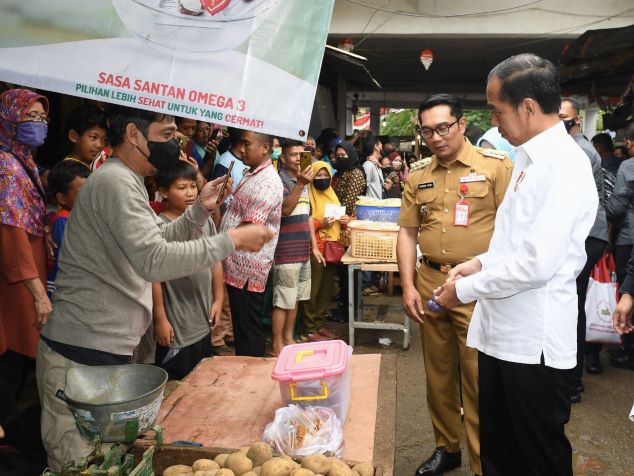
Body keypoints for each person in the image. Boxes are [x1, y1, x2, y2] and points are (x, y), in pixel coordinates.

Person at [37, 104, 273, 469]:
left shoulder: (126, 180)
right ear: (135, 134)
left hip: (101, 353)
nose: (174, 142)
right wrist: (232, 240)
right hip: (79, 355)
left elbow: (159, 236)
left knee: (103, 462)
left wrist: (198, 211)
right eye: (165, 135)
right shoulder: (115, 181)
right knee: (77, 464)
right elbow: (155, 260)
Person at [434, 53, 598, 476]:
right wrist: (478, 263)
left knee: (537, 457)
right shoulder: (527, 160)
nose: (493, 120)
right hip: (503, 335)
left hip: (533, 343)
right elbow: (516, 243)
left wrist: (462, 290)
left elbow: (536, 264)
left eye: (497, 110)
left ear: (527, 107)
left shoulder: (564, 165)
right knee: (500, 453)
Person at [397, 94, 513, 476]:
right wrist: (408, 285)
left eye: (443, 127)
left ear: (462, 124)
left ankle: (483, 463)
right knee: (439, 374)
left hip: (477, 285)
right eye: (427, 130)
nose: (435, 137)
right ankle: (447, 448)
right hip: (431, 282)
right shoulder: (419, 174)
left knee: (477, 377)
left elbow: (514, 230)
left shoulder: (496, 168)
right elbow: (407, 233)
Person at [0, 88, 52, 443]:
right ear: (8, 120)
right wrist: (37, 293)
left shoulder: (23, 158)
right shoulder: (5, 166)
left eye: (42, 118)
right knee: (12, 346)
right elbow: (11, 232)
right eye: (29, 118)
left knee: (21, 344)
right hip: (16, 276)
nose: (37, 125)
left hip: (28, 267)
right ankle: (9, 432)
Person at [152, 161, 224, 380]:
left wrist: (218, 299)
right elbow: (153, 276)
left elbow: (215, 261)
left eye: (193, 186)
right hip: (178, 326)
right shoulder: (159, 227)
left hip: (203, 318)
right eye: (182, 188)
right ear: (163, 191)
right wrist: (160, 318)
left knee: (200, 379)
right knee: (178, 386)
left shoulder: (205, 220)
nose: (190, 193)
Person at [559, 97, 609, 396]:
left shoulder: (578, 150)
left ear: (576, 120)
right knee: (571, 303)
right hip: (587, 234)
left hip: (587, 236)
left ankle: (571, 381)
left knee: (570, 305)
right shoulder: (572, 147)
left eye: (563, 117)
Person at [219, 130, 282, 357]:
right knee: (243, 330)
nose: (242, 150)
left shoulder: (267, 183)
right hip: (236, 265)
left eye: (247, 144)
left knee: (249, 333)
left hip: (247, 270)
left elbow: (248, 230)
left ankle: (251, 378)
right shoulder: (252, 173)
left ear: (265, 147)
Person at [270, 140, 315, 354]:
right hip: (286, 251)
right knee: (283, 300)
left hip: (302, 249)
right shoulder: (280, 181)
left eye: (301, 154)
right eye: (293, 155)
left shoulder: (303, 181)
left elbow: (307, 216)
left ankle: (288, 338)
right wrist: (299, 184)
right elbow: (284, 211)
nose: (298, 158)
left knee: (295, 297)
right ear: (283, 158)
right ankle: (276, 344)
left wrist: (312, 248)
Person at [209, 127, 245, 354]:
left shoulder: (243, 163)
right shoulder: (225, 162)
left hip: (236, 234)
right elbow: (218, 199)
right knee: (220, 284)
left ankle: (229, 333)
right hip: (224, 231)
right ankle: (219, 338)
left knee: (230, 285)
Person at [304, 161, 349, 341]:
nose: (322, 179)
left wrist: (345, 219)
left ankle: (320, 324)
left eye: (326, 176)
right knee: (312, 291)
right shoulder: (307, 195)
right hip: (316, 248)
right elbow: (304, 222)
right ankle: (309, 328)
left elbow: (338, 221)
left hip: (332, 247)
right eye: (318, 176)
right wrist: (320, 224)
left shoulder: (332, 195)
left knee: (326, 291)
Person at [605, 122, 634, 370]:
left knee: (628, 292)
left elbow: (616, 206)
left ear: (630, 144)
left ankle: (627, 350)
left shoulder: (628, 166)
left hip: (628, 238)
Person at [45, 161, 90, 297]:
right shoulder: (63, 221)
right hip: (62, 288)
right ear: (62, 198)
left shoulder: (74, 217)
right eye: (82, 194)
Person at [61, 104, 107, 169]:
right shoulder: (68, 172)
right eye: (93, 137)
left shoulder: (93, 165)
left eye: (104, 139)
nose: (100, 145)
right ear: (73, 136)